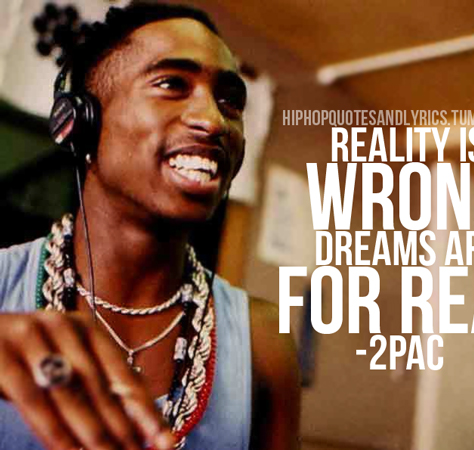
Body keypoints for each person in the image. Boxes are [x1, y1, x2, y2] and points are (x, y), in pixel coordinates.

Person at [0, 3, 300, 449]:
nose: (213, 121)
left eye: (230, 101)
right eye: (171, 84)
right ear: (82, 125)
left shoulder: (263, 341)